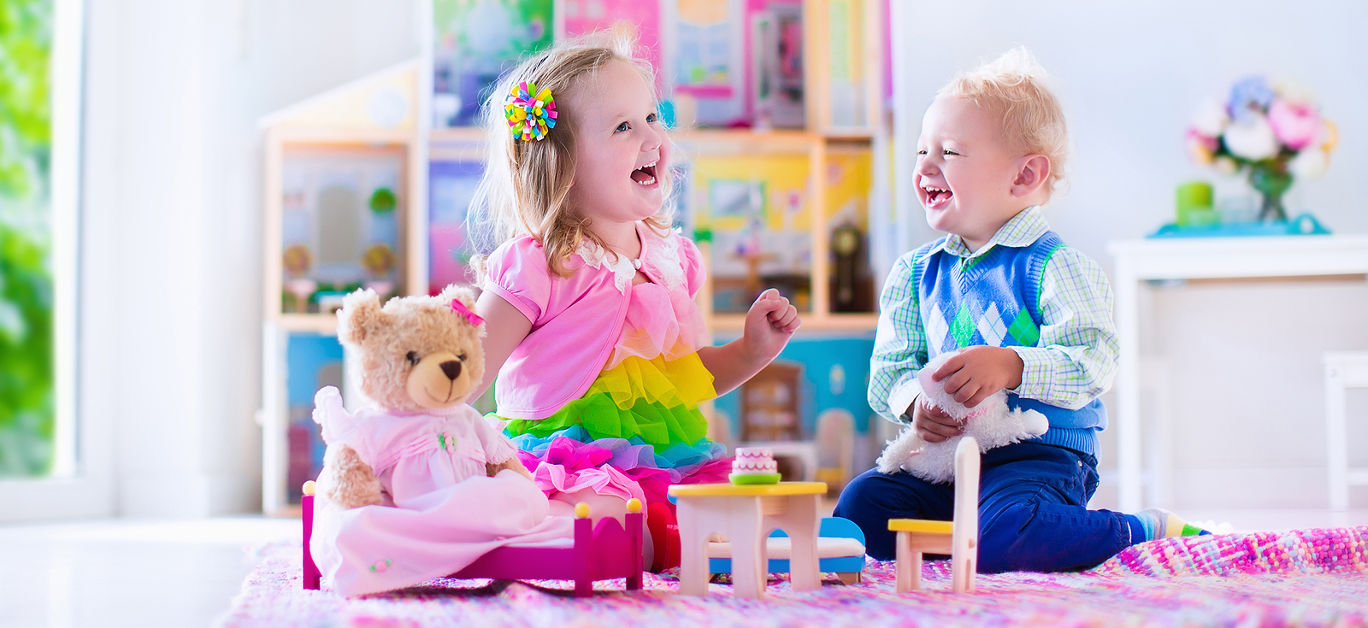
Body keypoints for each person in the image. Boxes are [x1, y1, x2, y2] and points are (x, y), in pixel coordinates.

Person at [834, 48, 1207, 573]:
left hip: (1039, 458)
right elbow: (888, 373)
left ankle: (1141, 529)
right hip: (946, 465)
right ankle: (973, 540)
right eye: (922, 151)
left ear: (1025, 176)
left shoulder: (1055, 266)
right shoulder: (914, 274)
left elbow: (1094, 359)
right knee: (861, 507)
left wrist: (1013, 364)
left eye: (950, 152)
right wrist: (914, 401)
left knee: (1011, 531)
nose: (924, 167)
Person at [467, 32, 800, 571]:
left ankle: (654, 546)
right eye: (624, 127)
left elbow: (689, 376)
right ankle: (513, 530)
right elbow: (466, 372)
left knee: (734, 526)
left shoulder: (674, 260)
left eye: (653, 117)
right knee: (603, 527)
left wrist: (751, 350)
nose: (653, 138)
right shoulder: (542, 262)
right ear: (562, 164)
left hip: (664, 467)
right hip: (567, 464)